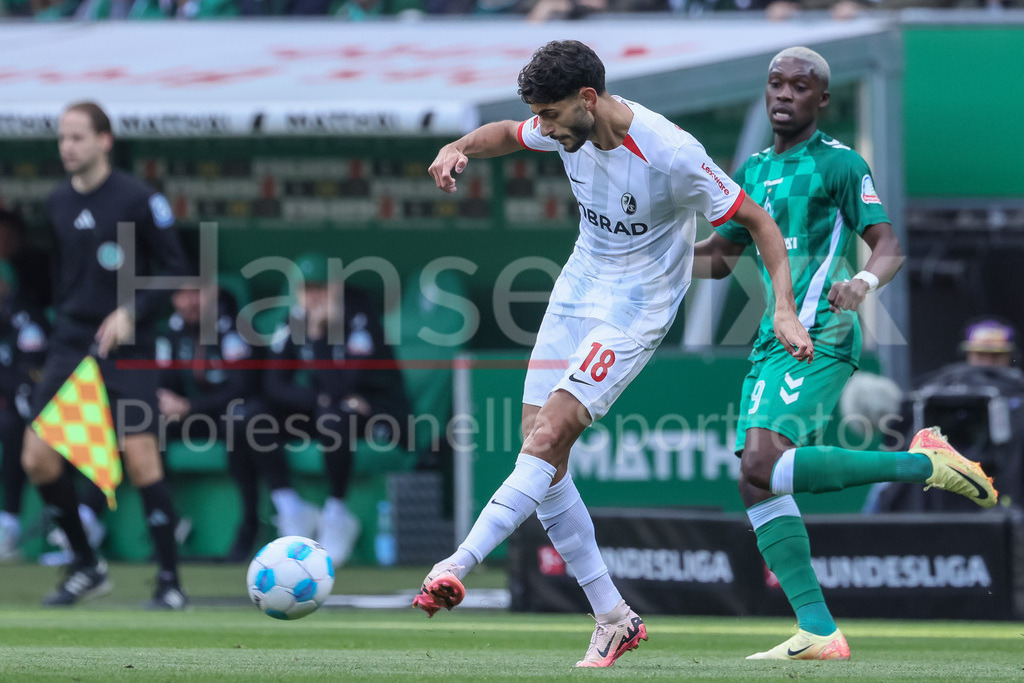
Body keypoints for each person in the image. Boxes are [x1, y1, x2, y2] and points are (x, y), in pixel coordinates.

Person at [413, 39, 814, 668]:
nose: (541, 127)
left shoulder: (671, 150)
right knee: (539, 449)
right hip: (578, 288)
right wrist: (458, 147)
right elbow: (507, 135)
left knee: (547, 440)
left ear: (588, 98)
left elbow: (758, 221)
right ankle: (613, 616)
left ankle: (457, 563)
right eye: (538, 115)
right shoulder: (561, 128)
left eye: (549, 114)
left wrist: (782, 308)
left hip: (638, 306)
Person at [692, 47, 998, 660]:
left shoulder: (839, 164)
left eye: (799, 87)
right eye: (776, 84)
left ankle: (922, 463)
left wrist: (864, 284)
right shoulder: (750, 169)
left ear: (821, 99)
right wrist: (647, 252)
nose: (784, 95)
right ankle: (819, 632)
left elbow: (887, 243)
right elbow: (721, 259)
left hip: (820, 333)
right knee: (759, 484)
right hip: (769, 338)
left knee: (760, 465)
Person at [20, 101, 191, 609]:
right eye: (62, 138)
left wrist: (131, 312)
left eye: (77, 137)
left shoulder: (139, 200)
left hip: (129, 344)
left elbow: (176, 268)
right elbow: (59, 277)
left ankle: (169, 581)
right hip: (72, 342)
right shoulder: (54, 203)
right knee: (38, 458)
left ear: (104, 141)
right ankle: (85, 565)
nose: (67, 147)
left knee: (140, 457)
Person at [264, 252, 411, 567]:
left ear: (335, 289)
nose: (313, 297)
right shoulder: (293, 320)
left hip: (380, 412)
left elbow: (341, 387)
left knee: (336, 416)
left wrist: (317, 338)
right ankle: (291, 508)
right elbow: (274, 384)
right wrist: (318, 401)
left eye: (321, 288)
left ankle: (337, 514)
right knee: (254, 416)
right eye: (306, 289)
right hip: (327, 407)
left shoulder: (360, 318)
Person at [156, 282, 265, 562]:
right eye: (181, 293)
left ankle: (250, 525)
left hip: (231, 414)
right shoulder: (173, 329)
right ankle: (165, 522)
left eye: (196, 291)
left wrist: (190, 406)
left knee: (241, 422)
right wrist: (164, 398)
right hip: (193, 416)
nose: (189, 301)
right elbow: (164, 378)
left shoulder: (235, 326)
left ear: (213, 291)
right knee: (144, 424)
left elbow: (244, 385)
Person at [0, 261, 50, 561]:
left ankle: (9, 523)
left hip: (34, 410)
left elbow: (31, 377)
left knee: (13, 425)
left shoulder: (26, 318)